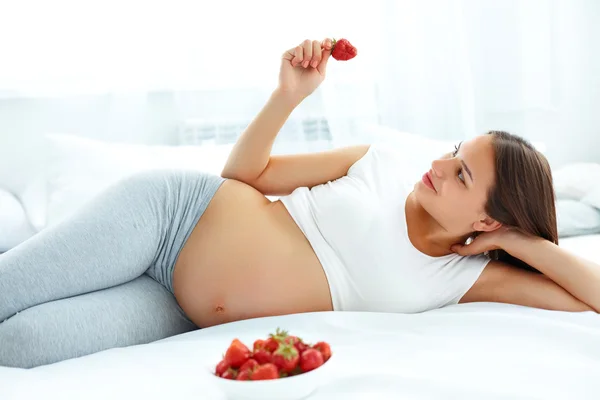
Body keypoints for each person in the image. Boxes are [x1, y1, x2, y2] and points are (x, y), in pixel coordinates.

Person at [1, 38, 598, 369]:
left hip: (180, 309)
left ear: (488, 217)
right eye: (452, 151)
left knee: (20, 347)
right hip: (169, 219)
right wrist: (289, 97)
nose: (438, 165)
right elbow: (246, 174)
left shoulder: (464, 278)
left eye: (462, 173)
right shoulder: (380, 161)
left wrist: (521, 243)